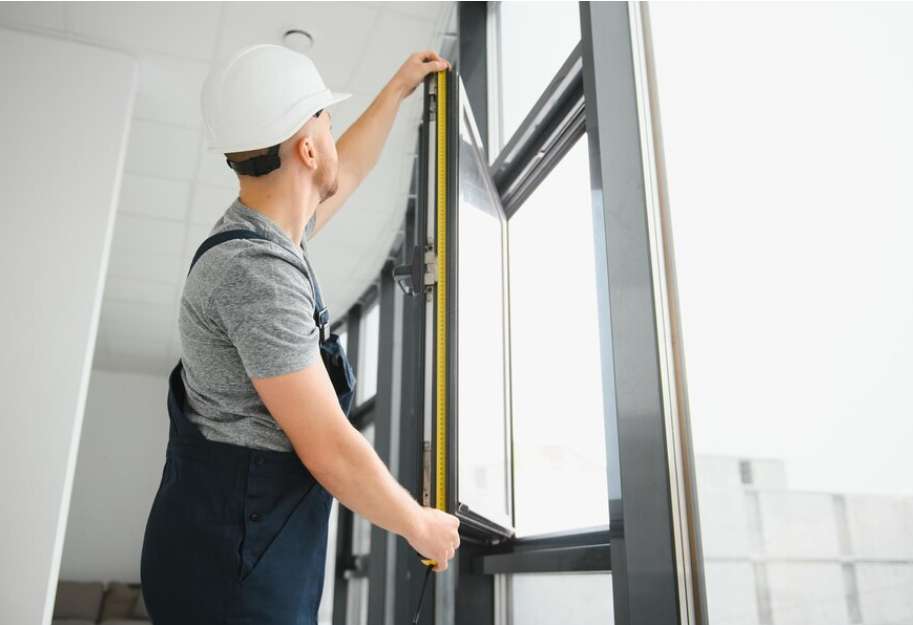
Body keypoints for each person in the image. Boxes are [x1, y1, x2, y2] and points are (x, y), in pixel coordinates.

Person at [140, 44, 459, 625]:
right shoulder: (257, 273)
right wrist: (421, 525)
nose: (336, 142)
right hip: (232, 571)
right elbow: (329, 448)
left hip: (241, 540)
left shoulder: (268, 237)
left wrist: (396, 89)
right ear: (309, 150)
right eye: (327, 126)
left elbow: (351, 169)